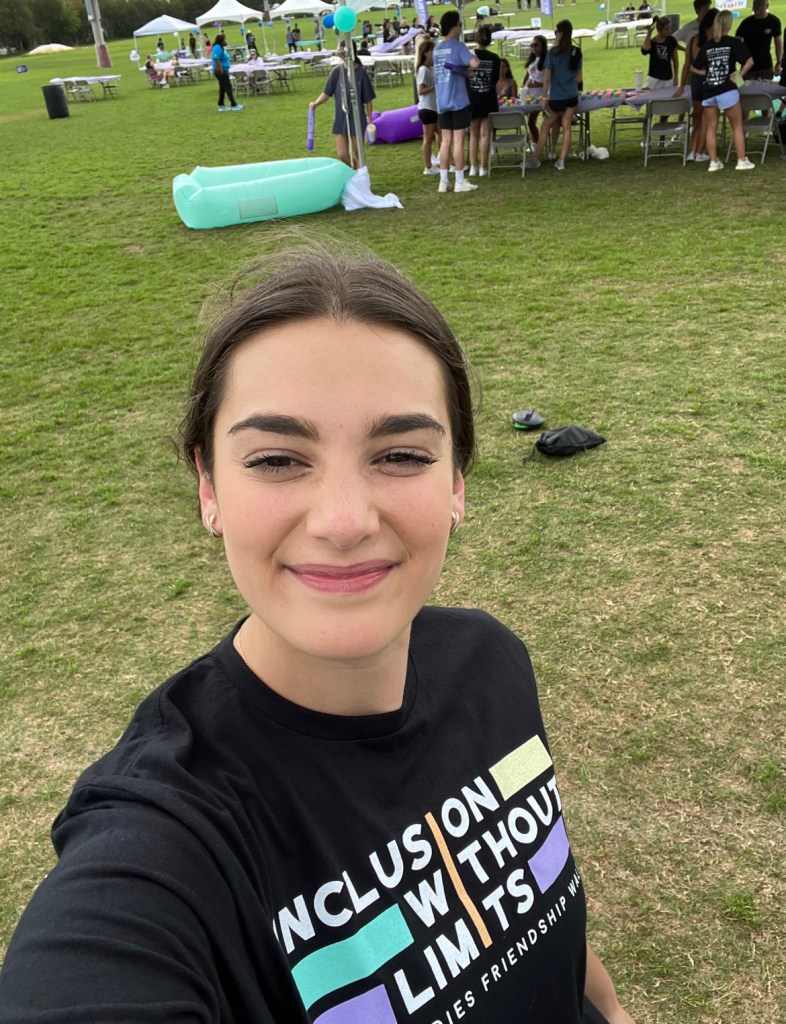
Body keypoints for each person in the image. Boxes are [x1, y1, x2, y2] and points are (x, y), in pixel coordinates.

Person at [0, 236, 638, 1024]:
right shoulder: (168, 841)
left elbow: (539, 897)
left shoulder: (491, 661)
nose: (343, 521)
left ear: (457, 483)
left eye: (401, 455)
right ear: (208, 487)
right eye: (276, 460)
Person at [691, 9, 755, 170]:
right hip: (727, 89)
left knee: (711, 127)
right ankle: (741, 160)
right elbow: (749, 61)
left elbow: (694, 67)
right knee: (737, 126)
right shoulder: (734, 43)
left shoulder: (707, 46)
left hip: (709, 90)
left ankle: (714, 162)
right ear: (729, 25)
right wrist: (738, 76)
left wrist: (708, 73)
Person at [433, 10, 480, 193]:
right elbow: (474, 63)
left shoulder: (437, 49)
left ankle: (443, 181)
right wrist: (472, 57)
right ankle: (460, 180)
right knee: (458, 141)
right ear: (454, 27)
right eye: (460, 24)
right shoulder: (458, 46)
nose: (461, 27)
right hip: (458, 101)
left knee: (445, 142)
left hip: (442, 101)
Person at [526, 19, 582, 171]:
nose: (555, 34)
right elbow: (579, 78)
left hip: (557, 97)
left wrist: (544, 97)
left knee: (545, 127)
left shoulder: (553, 53)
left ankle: (536, 159)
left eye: (556, 32)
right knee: (567, 126)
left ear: (561, 33)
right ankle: (561, 160)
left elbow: (547, 78)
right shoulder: (576, 52)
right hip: (571, 95)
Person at [309, 43, 375, 169]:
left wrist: (370, 121)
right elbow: (326, 92)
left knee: (358, 152)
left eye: (342, 49)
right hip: (341, 117)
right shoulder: (336, 72)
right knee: (342, 154)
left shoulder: (361, 73)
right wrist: (316, 103)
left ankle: (361, 175)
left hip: (357, 117)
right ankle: (355, 171)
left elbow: (368, 100)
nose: (340, 52)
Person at [673, 3, 714, 162]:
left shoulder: (692, 41)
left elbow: (687, 65)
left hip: (696, 82)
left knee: (697, 118)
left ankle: (693, 151)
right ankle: (701, 151)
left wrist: (681, 86)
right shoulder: (714, 42)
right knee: (706, 119)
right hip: (709, 82)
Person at [468, 25, 501, 177]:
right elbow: (495, 80)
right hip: (488, 98)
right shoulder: (495, 58)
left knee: (473, 134)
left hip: (473, 98)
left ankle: (473, 167)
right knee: (485, 134)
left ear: (476, 38)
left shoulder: (469, 56)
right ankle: (483, 167)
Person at [735, 0, 782, 80]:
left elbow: (778, 43)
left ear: (766, 6)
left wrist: (778, 62)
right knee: (746, 88)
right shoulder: (746, 23)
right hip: (748, 67)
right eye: (755, 10)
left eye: (760, 10)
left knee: (766, 88)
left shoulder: (774, 21)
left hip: (766, 67)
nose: (757, 12)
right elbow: (736, 43)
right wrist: (741, 59)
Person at [416, 38, 441, 174]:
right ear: (426, 53)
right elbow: (421, 90)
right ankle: (428, 166)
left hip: (434, 107)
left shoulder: (432, 68)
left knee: (441, 135)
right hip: (427, 108)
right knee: (428, 138)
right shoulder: (423, 70)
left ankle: (443, 160)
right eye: (432, 51)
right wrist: (435, 86)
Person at [522, 35, 548, 148]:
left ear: (543, 47)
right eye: (532, 45)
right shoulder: (532, 60)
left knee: (531, 121)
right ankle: (536, 142)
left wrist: (535, 84)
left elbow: (548, 80)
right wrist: (523, 85)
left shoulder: (545, 61)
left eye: (536, 45)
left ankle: (536, 144)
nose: (533, 47)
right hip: (528, 94)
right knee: (531, 121)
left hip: (539, 95)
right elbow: (528, 74)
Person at [641, 16, 679, 88]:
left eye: (670, 28)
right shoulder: (652, 42)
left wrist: (676, 77)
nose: (669, 31)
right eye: (666, 29)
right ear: (659, 30)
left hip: (668, 78)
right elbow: (645, 49)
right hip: (654, 79)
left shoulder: (671, 41)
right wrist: (649, 33)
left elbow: (675, 60)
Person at [212, 32, 244, 112]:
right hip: (220, 71)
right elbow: (216, 58)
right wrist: (221, 70)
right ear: (221, 40)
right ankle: (234, 104)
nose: (225, 41)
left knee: (222, 88)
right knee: (228, 87)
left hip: (223, 70)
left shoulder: (220, 47)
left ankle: (221, 105)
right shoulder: (217, 47)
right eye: (224, 39)